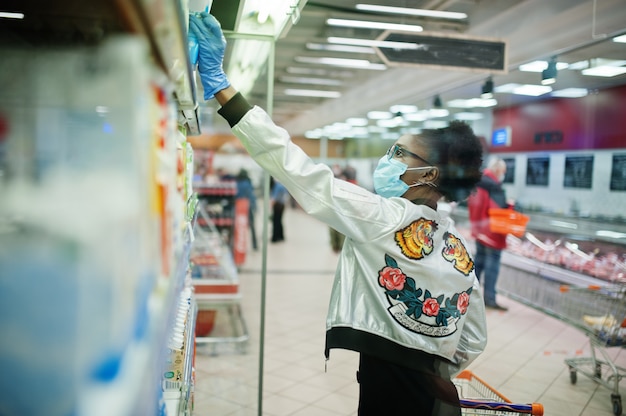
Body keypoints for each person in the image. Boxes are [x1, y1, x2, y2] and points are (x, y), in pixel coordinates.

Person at [189, 13, 488, 416]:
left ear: (429, 174)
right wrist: (432, 365)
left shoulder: (385, 218)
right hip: (436, 394)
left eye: (398, 154)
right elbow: (473, 339)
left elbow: (299, 171)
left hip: (387, 387)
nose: (388, 160)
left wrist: (222, 87)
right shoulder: (458, 247)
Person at [466, 157, 510, 311]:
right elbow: (498, 211)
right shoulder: (494, 186)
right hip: (492, 234)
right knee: (492, 267)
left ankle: (469, 296)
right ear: (497, 170)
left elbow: (473, 207)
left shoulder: (478, 182)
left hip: (479, 232)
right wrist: (510, 206)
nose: (503, 175)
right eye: (503, 171)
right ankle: (490, 299)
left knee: (478, 265)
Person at [235, 168, 258, 251]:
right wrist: (255, 207)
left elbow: (236, 195)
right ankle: (255, 245)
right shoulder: (248, 183)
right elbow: (252, 196)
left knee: (238, 225)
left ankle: (237, 244)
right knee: (252, 226)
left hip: (239, 207)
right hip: (248, 206)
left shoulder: (237, 183)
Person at [269, 177, 288, 242]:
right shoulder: (281, 185)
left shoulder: (277, 186)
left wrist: (270, 207)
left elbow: (274, 198)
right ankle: (281, 236)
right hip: (282, 205)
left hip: (278, 206)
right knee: (279, 221)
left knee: (276, 221)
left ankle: (275, 237)